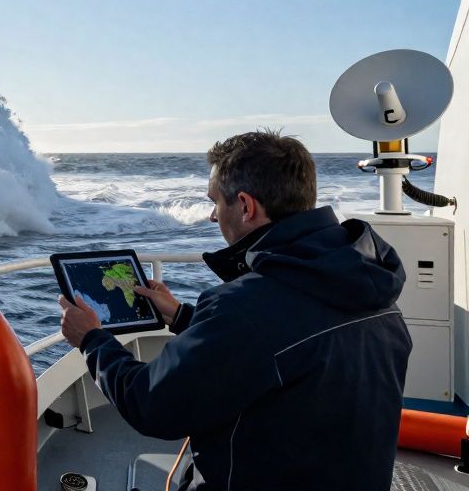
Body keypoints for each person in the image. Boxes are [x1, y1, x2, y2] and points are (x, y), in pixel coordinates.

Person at [59, 130, 412, 490]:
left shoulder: (246, 305)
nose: (213, 216)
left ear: (245, 206)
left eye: (215, 201)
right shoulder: (372, 286)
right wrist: (182, 316)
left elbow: (151, 405)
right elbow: (284, 339)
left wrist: (91, 339)